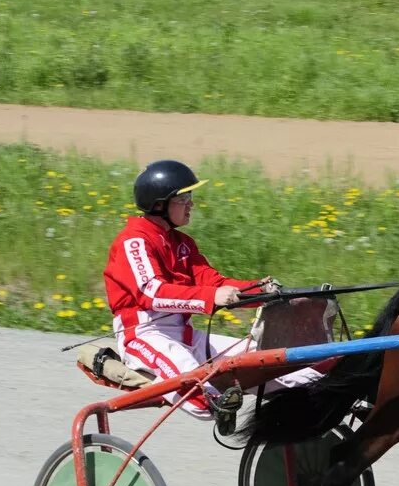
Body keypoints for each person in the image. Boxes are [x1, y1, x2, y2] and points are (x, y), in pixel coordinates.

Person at [103, 159, 321, 435]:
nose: (191, 204)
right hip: (145, 336)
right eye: (184, 198)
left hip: (187, 337)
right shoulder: (134, 241)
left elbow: (214, 282)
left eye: (190, 197)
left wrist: (258, 291)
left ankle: (321, 393)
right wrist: (211, 297)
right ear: (159, 204)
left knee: (269, 361)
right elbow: (152, 293)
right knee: (200, 393)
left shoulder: (183, 244)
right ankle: (220, 405)